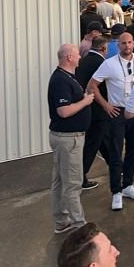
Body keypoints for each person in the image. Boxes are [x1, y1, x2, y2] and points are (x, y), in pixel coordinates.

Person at [90, 29, 134, 210]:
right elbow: (92, 86)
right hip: (117, 113)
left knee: (132, 150)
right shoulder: (109, 64)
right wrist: (105, 105)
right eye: (123, 43)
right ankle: (116, 191)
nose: (127, 46)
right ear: (118, 45)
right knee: (116, 152)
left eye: (129, 42)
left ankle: (128, 185)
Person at [48, 41, 97, 233]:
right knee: (73, 184)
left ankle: (62, 220)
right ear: (69, 57)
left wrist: (82, 97)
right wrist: (86, 101)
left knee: (60, 180)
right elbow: (63, 111)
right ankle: (79, 226)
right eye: (77, 54)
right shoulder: (61, 80)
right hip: (69, 139)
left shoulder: (67, 77)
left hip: (66, 138)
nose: (79, 57)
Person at [74, 29, 111, 199]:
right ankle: (80, 176)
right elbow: (102, 87)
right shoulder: (101, 63)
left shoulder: (84, 60)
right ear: (103, 48)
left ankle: (116, 164)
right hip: (97, 108)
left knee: (102, 139)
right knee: (93, 143)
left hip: (86, 106)